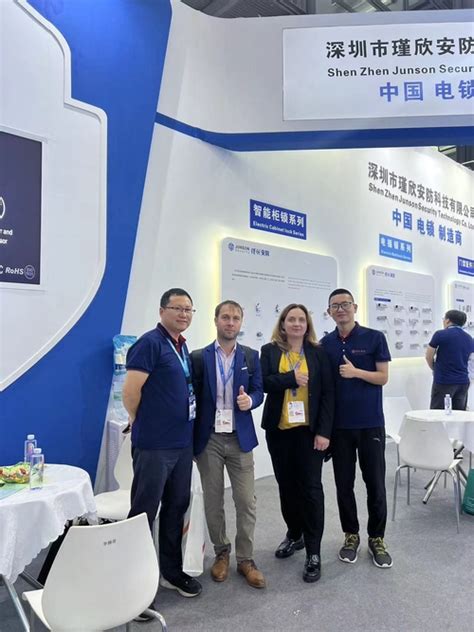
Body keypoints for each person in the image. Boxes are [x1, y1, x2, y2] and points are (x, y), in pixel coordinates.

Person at [123, 288, 202, 603]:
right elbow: (131, 392)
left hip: (181, 444)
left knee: (176, 507)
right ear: (161, 311)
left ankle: (171, 572)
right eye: (177, 308)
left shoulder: (181, 345)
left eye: (188, 309)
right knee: (144, 512)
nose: (184, 314)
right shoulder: (149, 343)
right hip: (155, 445)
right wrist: (139, 419)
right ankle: (134, 587)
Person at [192, 300, 266, 589]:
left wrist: (251, 401)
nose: (230, 322)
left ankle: (246, 558)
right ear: (216, 320)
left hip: (240, 437)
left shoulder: (251, 356)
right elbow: (192, 398)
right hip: (209, 438)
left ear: (241, 322)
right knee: (213, 501)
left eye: (236, 318)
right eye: (225, 317)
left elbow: (259, 390)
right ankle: (221, 552)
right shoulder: (199, 357)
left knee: (246, 501)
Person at [260, 303, 334, 583]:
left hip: (309, 432)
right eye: (291, 319)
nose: (296, 324)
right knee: (286, 487)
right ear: (283, 323)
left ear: (307, 325)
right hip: (279, 431)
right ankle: (294, 534)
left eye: (301, 319)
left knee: (311, 489)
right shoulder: (270, 351)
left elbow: (327, 394)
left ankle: (313, 552)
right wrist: (290, 378)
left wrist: (324, 432)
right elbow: (264, 383)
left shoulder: (318, 353)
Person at [320, 288, 392, 569]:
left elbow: (383, 377)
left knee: (375, 484)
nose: (341, 309)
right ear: (329, 312)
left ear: (355, 307)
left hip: (370, 424)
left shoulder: (374, 337)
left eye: (345, 304)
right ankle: (351, 535)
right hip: (340, 428)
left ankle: (377, 538)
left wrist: (356, 372)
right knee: (343, 484)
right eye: (335, 306)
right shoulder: (325, 344)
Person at [425, 309, 474, 410]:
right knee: (459, 414)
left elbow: (428, 356)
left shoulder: (440, 334)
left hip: (444, 380)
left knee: (438, 413)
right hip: (463, 382)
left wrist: (434, 368)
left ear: (447, 320)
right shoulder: (469, 338)